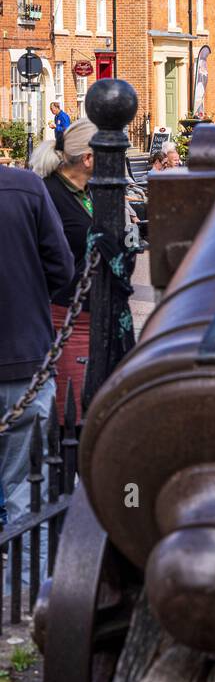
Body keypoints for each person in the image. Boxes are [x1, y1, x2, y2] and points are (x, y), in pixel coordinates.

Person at [0, 162, 74, 530]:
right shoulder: (26, 187)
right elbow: (61, 269)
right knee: (27, 496)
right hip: (23, 358)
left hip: (24, 357)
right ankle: (26, 587)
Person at [29, 119, 97, 418]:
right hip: (66, 314)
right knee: (71, 413)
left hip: (101, 313)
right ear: (88, 158)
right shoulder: (49, 193)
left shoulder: (94, 191)